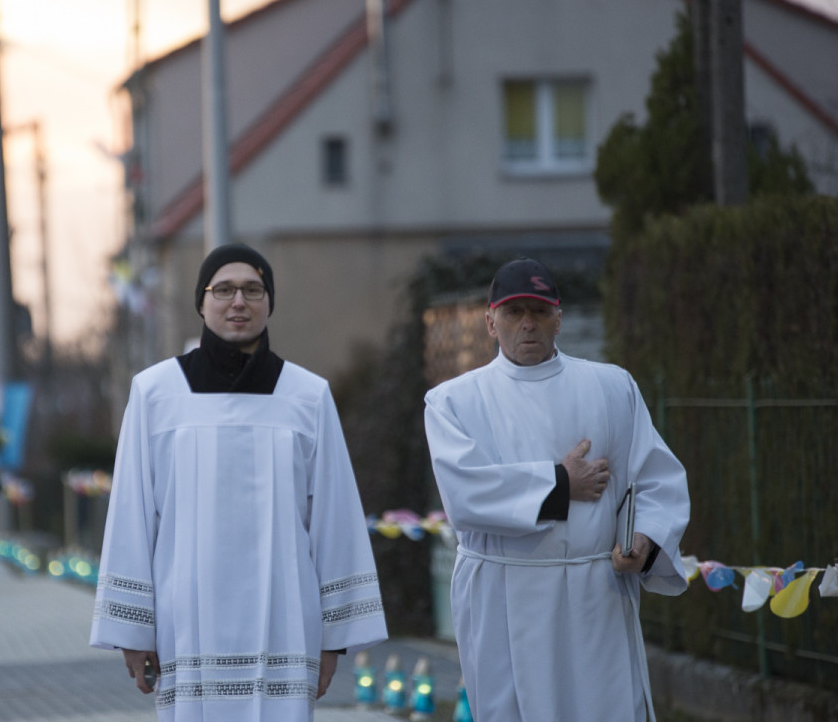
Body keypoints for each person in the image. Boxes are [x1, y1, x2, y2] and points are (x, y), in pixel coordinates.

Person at [90, 243, 387, 722]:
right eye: (223, 290)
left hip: (284, 618)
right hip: (186, 618)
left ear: (269, 302)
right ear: (201, 303)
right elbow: (132, 512)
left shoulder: (307, 396)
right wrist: (134, 631)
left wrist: (335, 639)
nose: (238, 302)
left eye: (253, 290)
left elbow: (335, 516)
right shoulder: (156, 392)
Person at [423, 257, 691, 722]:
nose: (528, 323)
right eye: (514, 312)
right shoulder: (454, 401)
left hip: (595, 594)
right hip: (503, 593)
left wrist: (643, 541)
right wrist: (561, 483)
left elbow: (656, 479)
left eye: (540, 311)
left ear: (559, 319)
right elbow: (465, 497)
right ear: (490, 321)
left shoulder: (611, 387)